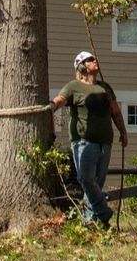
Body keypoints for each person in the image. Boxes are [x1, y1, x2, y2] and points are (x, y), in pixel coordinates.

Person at [51, 50, 127, 227]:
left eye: (94, 58)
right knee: (86, 179)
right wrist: (51, 107)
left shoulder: (105, 88)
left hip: (105, 142)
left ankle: (91, 223)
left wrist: (123, 132)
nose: (95, 61)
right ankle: (103, 212)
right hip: (84, 141)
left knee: (96, 184)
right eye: (90, 59)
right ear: (82, 66)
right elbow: (60, 100)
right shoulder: (73, 86)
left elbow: (115, 112)